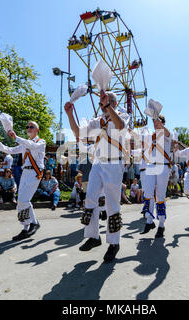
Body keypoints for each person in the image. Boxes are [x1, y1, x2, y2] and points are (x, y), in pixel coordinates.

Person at [65, 90, 129, 263]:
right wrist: (70, 114)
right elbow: (78, 133)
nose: (101, 104)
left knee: (112, 204)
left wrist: (108, 106)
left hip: (114, 163)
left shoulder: (123, 115)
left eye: (105, 101)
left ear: (112, 102)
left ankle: (114, 243)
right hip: (98, 163)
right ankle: (94, 237)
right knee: (90, 199)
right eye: (101, 102)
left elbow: (121, 126)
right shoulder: (97, 121)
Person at [0, 120, 45, 241]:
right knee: (21, 201)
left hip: (35, 173)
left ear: (37, 130)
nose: (28, 128)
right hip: (25, 172)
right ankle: (27, 227)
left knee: (24, 199)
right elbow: (9, 150)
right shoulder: (24, 144)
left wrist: (16, 137)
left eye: (32, 126)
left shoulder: (41, 142)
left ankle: (32, 224)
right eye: (27, 126)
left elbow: (32, 146)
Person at [141, 115, 172, 238]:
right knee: (147, 193)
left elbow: (167, 132)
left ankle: (161, 225)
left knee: (160, 195)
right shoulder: (151, 136)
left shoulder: (167, 134)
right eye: (153, 121)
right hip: (151, 166)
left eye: (157, 121)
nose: (154, 123)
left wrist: (161, 125)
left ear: (163, 122)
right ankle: (149, 221)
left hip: (163, 166)